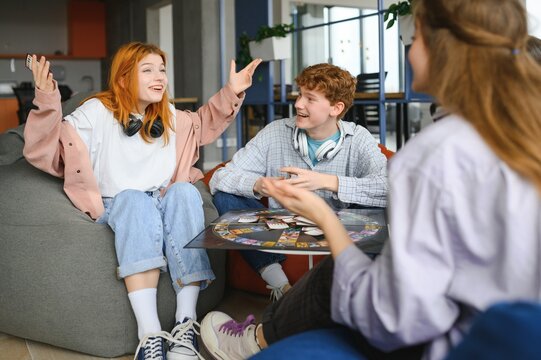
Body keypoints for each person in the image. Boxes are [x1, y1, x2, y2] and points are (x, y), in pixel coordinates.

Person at [199, 0, 541, 359]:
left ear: (443, 48)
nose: (408, 52)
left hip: (444, 342)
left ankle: (254, 341)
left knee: (336, 273)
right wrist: (260, 185)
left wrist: (326, 210)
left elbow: (393, 321)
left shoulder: (430, 156)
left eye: (416, 36)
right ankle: (267, 319)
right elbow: (224, 176)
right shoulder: (516, 138)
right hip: (494, 331)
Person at [23, 42, 261, 360]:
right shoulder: (96, 112)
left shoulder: (168, 116)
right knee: (135, 201)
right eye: (147, 70)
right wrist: (46, 96)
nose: (159, 77)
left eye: (162, 70)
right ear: (123, 78)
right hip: (118, 203)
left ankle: (184, 326)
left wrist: (231, 91)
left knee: (185, 191)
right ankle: (149, 336)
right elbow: (45, 145)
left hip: (163, 199)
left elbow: (204, 123)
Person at [209, 63, 388, 299]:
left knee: (377, 204)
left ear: (336, 107)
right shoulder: (275, 132)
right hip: (280, 227)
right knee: (225, 196)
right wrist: (259, 184)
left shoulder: (358, 138)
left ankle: (348, 285)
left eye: (310, 99)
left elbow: (387, 187)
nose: (298, 104)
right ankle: (279, 284)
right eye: (300, 94)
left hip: (338, 229)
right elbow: (220, 177)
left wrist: (326, 181)